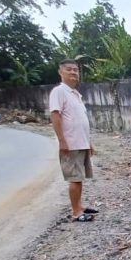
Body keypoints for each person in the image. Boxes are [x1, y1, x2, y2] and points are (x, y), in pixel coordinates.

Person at [49, 59, 98, 222]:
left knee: (79, 177)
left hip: (81, 142)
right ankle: (76, 212)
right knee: (75, 179)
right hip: (71, 144)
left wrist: (88, 142)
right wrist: (62, 141)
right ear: (60, 72)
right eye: (69, 69)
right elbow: (55, 115)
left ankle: (79, 206)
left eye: (75, 70)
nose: (73, 72)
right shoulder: (59, 92)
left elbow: (80, 120)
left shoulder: (75, 94)